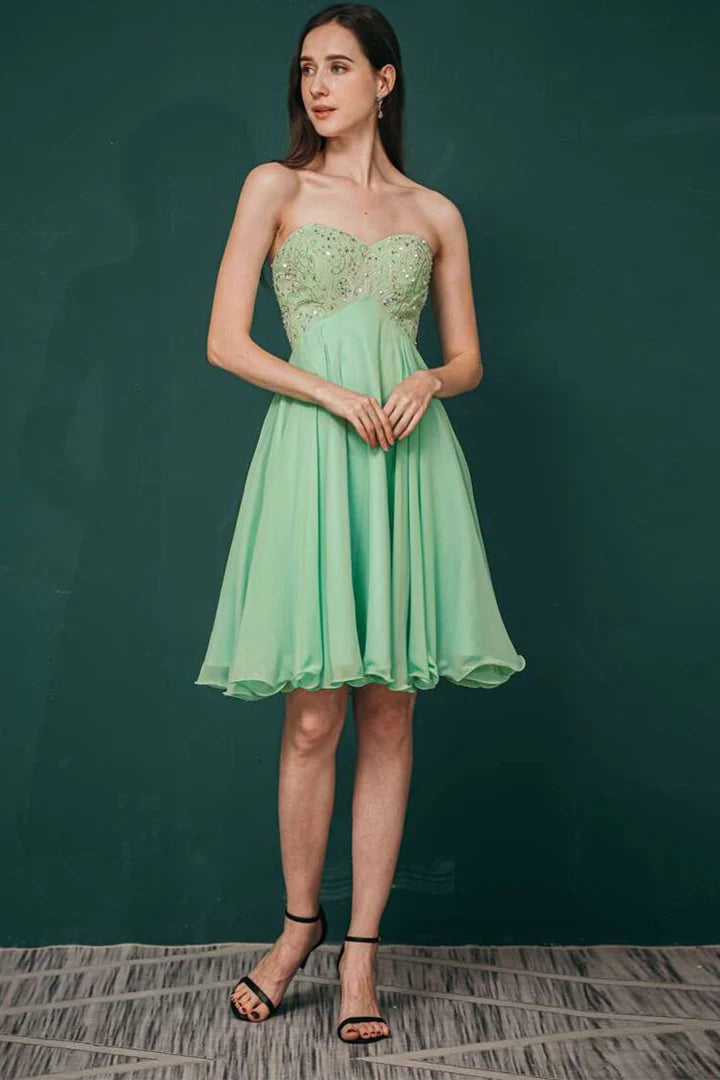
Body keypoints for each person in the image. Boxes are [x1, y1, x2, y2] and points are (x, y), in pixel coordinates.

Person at [194, 2, 526, 1045]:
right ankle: (299, 928)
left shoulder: (436, 213)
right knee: (312, 717)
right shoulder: (275, 187)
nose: (317, 86)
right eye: (306, 69)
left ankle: (362, 959)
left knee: (391, 712)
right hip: (314, 456)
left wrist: (429, 378)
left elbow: (469, 359)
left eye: (339, 67)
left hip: (408, 462)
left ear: (386, 81)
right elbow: (225, 341)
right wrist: (332, 394)